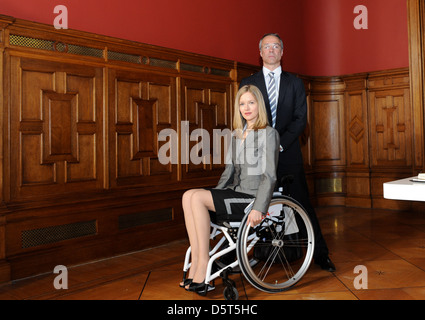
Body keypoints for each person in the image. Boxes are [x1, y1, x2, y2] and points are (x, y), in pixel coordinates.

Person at [240, 33, 335, 272]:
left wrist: (278, 144)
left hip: (288, 153)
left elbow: (300, 119)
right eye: (266, 47)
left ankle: (320, 254)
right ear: (260, 52)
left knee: (302, 204)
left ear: (282, 52)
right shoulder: (248, 83)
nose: (271, 50)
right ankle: (244, 254)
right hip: (258, 157)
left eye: (276, 46)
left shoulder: (295, 83)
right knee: (254, 204)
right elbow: (245, 119)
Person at [180, 85, 279, 294]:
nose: (247, 108)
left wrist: (259, 208)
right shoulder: (237, 134)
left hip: (251, 198)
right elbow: (228, 171)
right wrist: (214, 195)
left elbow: (269, 175)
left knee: (196, 198)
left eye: (251, 102)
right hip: (234, 192)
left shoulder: (269, 133)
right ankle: (197, 261)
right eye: (242, 104)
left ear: (259, 105)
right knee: (188, 195)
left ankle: (203, 264)